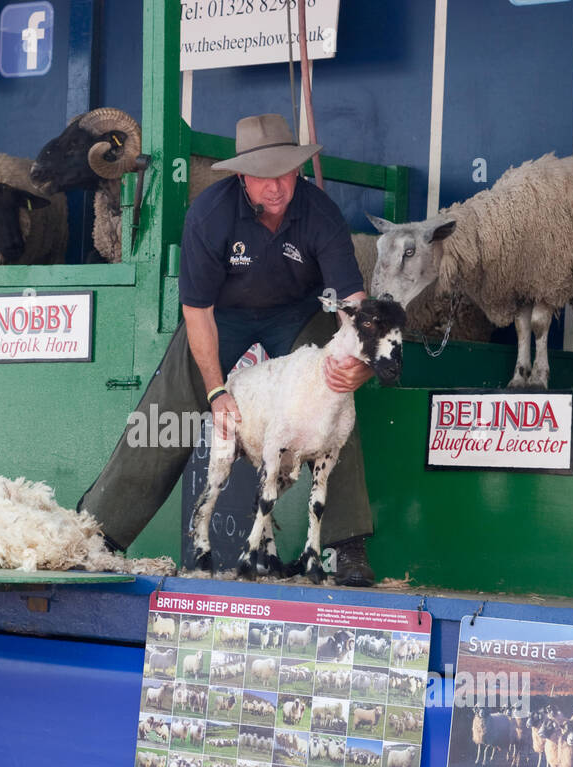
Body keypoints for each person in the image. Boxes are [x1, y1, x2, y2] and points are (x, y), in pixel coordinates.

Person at [79, 113, 379, 586]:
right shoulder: (210, 213)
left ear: (298, 170)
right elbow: (197, 312)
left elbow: (351, 303)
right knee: (169, 407)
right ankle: (100, 530)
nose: (276, 187)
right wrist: (217, 390)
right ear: (242, 176)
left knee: (336, 388)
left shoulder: (320, 213)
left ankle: (347, 546)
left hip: (296, 314)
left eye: (284, 173)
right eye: (262, 177)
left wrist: (358, 360)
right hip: (222, 315)